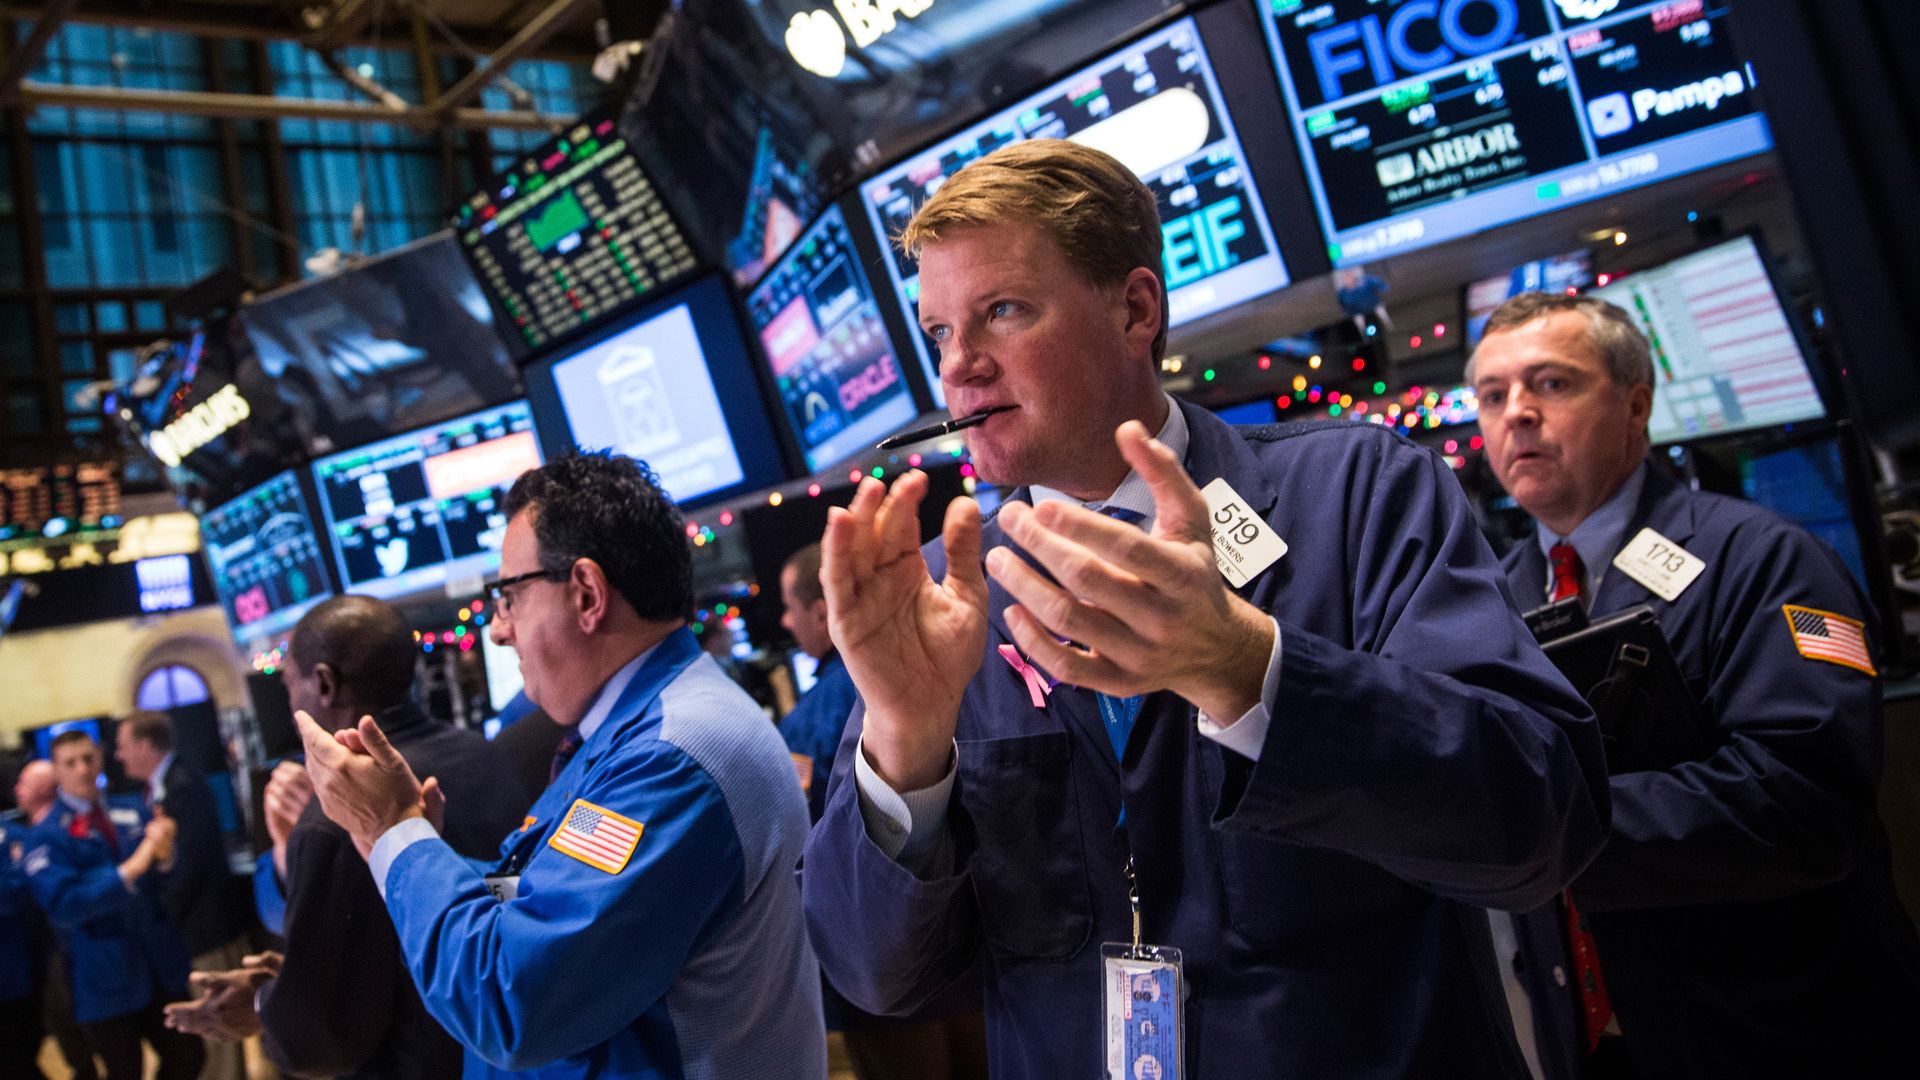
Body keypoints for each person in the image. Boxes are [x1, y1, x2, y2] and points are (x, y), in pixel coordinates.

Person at [800, 138, 1608, 1078]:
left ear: (1135, 309)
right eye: (940, 331)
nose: (961, 368)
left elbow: (1542, 824)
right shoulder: (945, 589)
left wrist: (1247, 668)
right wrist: (904, 745)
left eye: (1003, 311)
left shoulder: (1357, 490)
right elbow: (873, 976)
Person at [1468, 292, 1920, 1079]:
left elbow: (1807, 801)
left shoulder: (1765, 557)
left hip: (1781, 1032)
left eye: (1552, 383)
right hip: (1597, 1041)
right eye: (1493, 394)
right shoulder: (1489, 600)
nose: (1518, 414)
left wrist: (1545, 828)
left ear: (1636, 406)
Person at [295, 452, 826, 1078]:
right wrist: (413, 847)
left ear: (586, 594)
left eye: (509, 597)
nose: (499, 631)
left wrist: (396, 834)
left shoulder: (671, 761)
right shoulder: (635, 732)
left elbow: (509, 1001)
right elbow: (546, 899)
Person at [164, 594, 534, 1078]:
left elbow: (319, 1038)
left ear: (323, 683)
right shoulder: (486, 755)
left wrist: (265, 1002)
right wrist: (290, 976)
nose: (289, 702)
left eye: (289, 683)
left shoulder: (337, 813)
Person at [779, 543, 990, 1080]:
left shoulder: (806, 721)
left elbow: (804, 838)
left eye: (790, 607)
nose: (784, 621)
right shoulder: (964, 655)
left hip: (883, 984)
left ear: (823, 611)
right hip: (979, 963)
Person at [18, 731, 204, 1080]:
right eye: (71, 763)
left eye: (88, 759)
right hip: (104, 978)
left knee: (189, 1056)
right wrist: (130, 869)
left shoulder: (132, 808)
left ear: (100, 758)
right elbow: (66, 904)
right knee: (124, 1070)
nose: (82, 769)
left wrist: (165, 858)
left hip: (158, 962)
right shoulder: (45, 837)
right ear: (56, 771)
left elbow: (163, 882)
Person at [114, 711, 250, 1080]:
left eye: (123, 746)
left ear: (144, 746)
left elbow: (191, 866)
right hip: (195, 927)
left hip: (205, 928)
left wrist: (157, 912)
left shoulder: (182, 786)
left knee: (218, 1027)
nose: (118, 755)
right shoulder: (169, 785)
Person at [3, 761, 97, 1080]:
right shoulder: (24, 835)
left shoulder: (40, 833)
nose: (17, 789)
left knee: (65, 1017)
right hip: (31, 954)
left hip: (59, 944)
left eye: (24, 783)